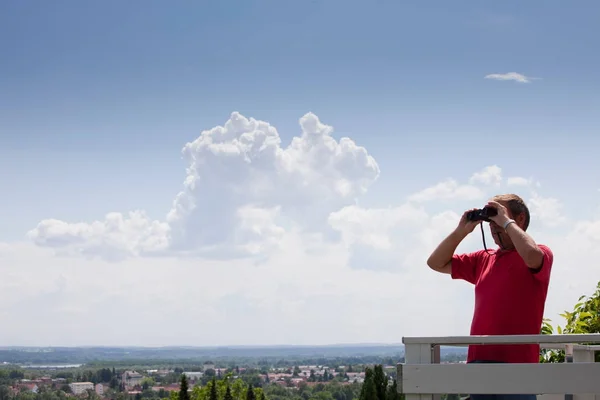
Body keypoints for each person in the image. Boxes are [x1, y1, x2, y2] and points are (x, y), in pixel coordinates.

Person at [427, 193, 553, 400]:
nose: (493, 225)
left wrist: (505, 221)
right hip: (480, 361)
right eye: (491, 219)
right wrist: (462, 231)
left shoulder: (541, 252)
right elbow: (435, 263)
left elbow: (532, 257)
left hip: (518, 364)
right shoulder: (483, 259)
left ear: (519, 219)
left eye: (497, 215)